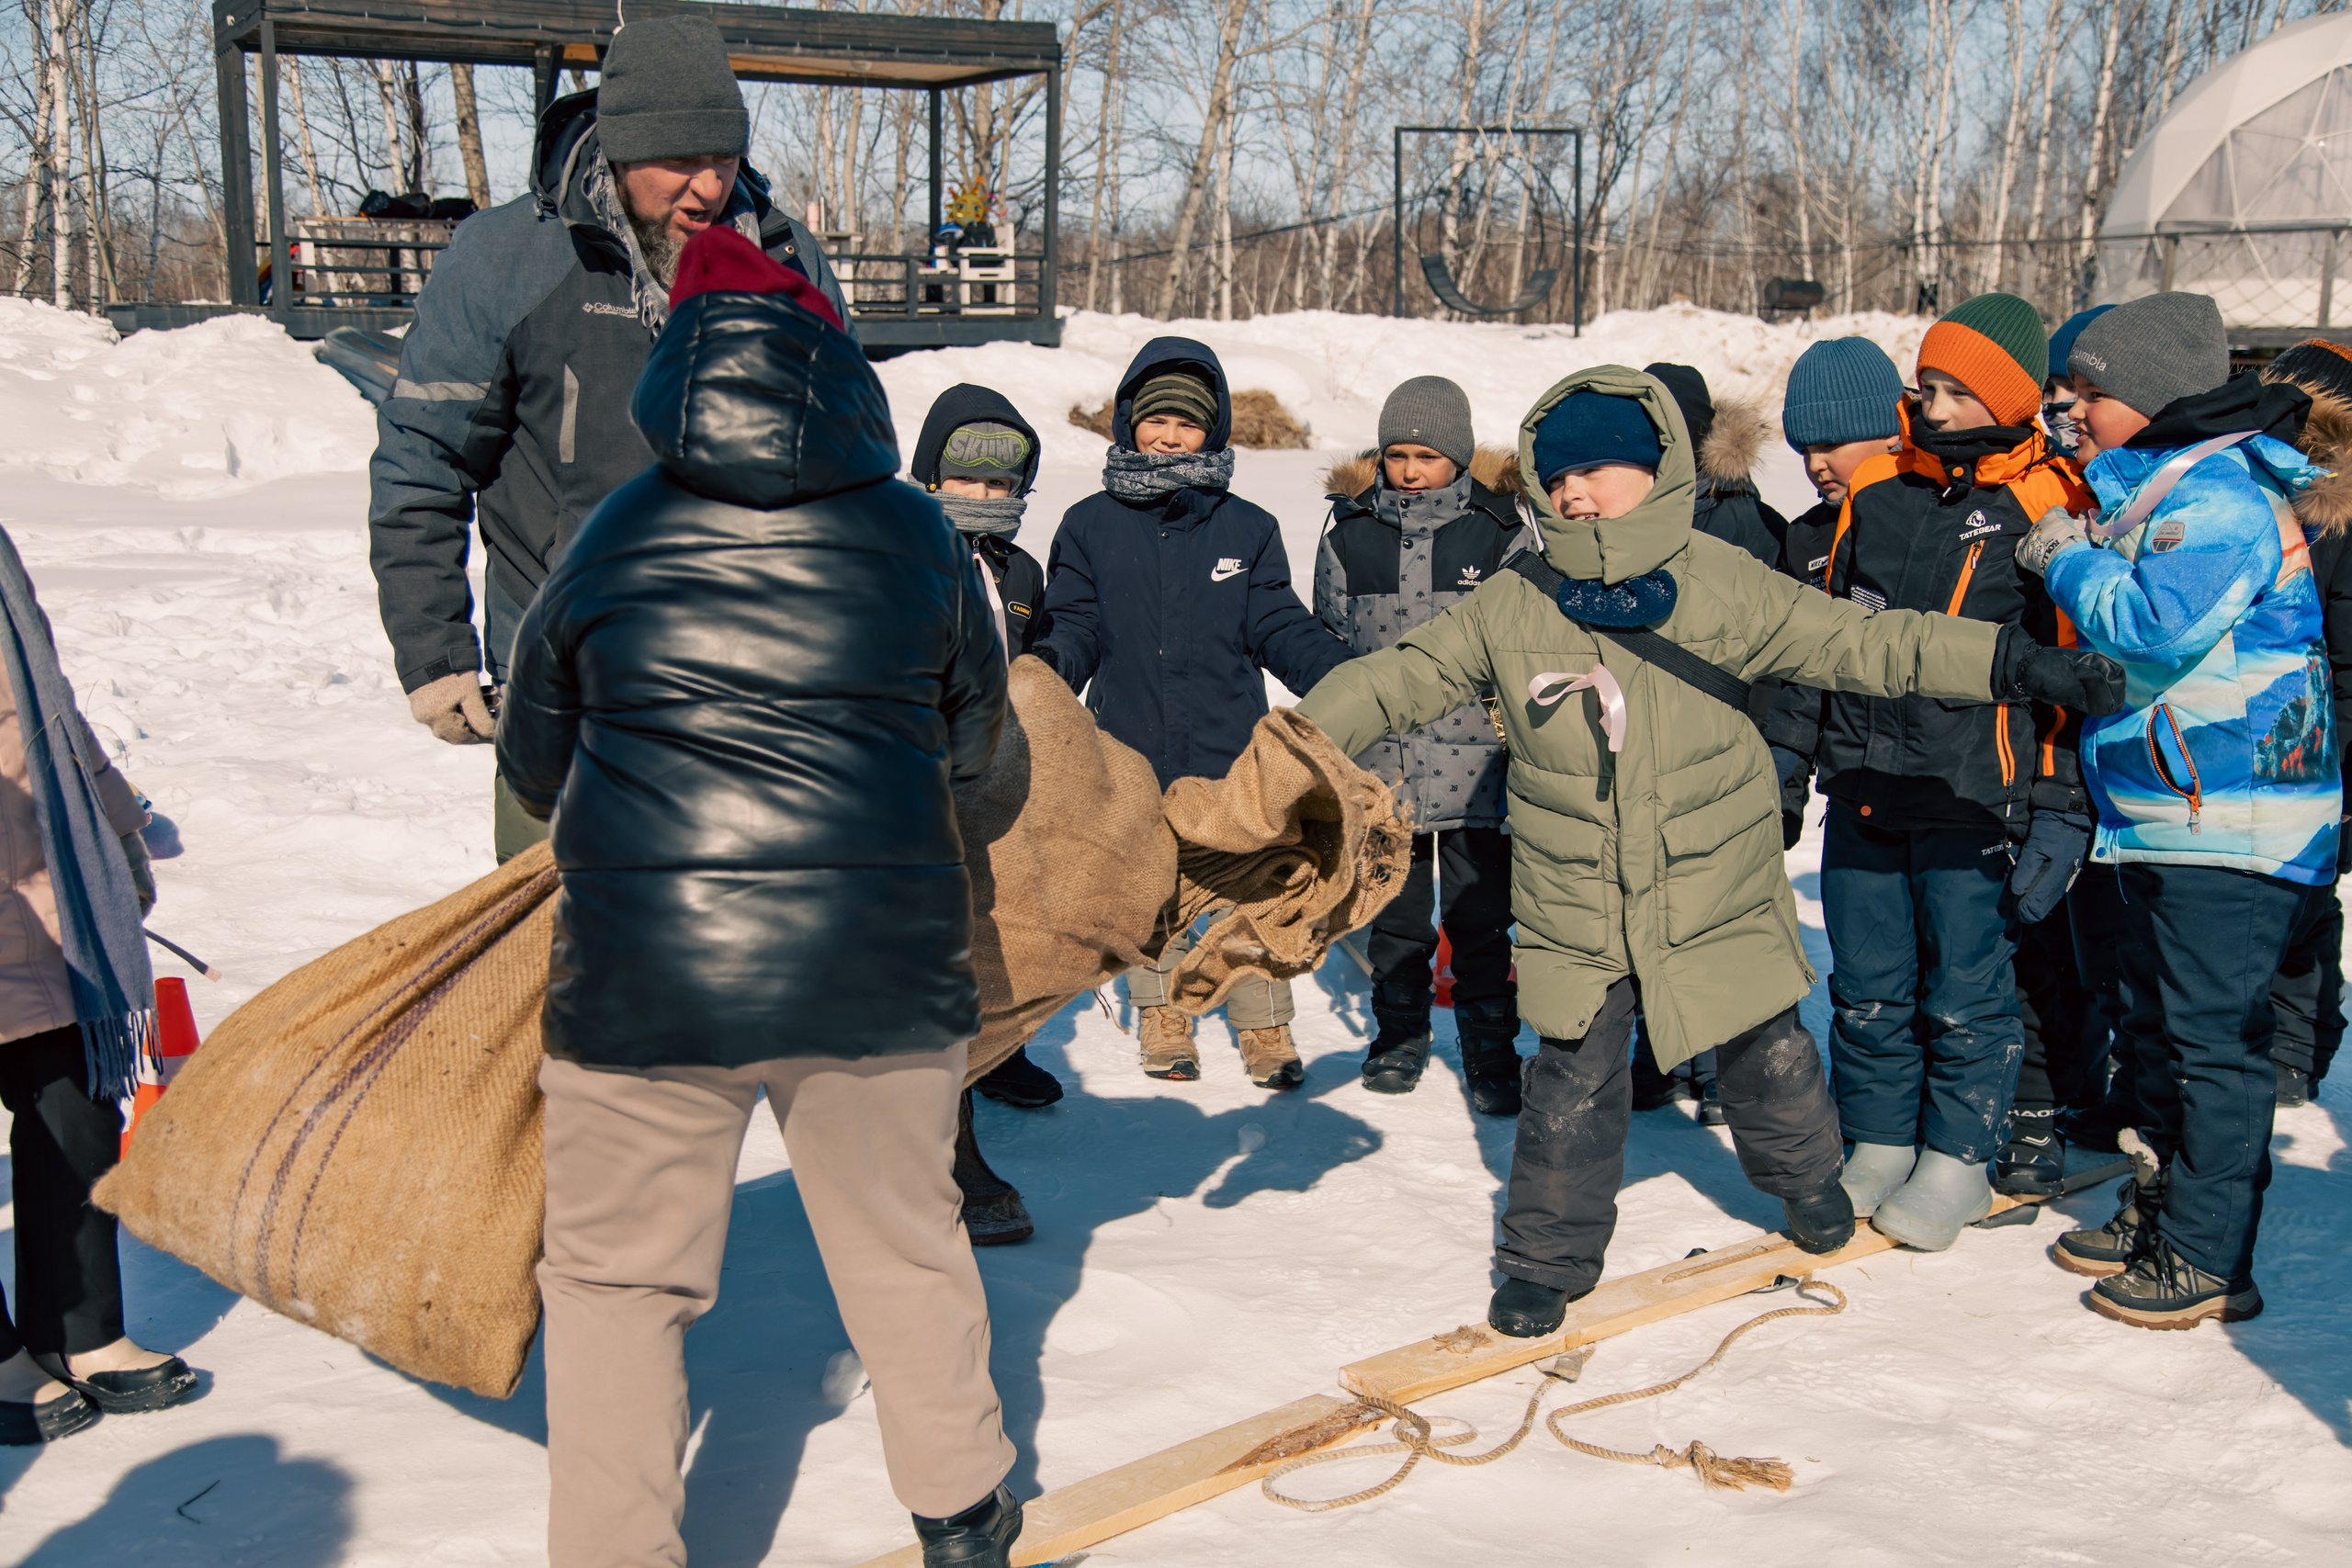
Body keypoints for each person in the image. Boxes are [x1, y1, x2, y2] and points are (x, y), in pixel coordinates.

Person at [1295, 365, 2125, 1337]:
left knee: (1766, 1054)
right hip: (1576, 892)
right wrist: (1292, 750)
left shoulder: (1720, 581)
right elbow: (1396, 676)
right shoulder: (1515, 601)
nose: (1572, 493)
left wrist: (2011, 662)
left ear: (1656, 471)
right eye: (1555, 478)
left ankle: (1807, 1178)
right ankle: (1545, 1257)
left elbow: (1871, 645)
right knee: (1569, 1081)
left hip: (1712, 873)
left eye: (1594, 470)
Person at [496, 227, 1019, 1567]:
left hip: (646, 977)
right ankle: (962, 1514)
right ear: (834, 362)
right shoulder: (919, 532)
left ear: (675, 370)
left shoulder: (610, 531)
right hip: (878, 968)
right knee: (905, 1245)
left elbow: (535, 763)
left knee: (617, 1284)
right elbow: (980, 760)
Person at [368, 13, 848, 863]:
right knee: (561, 934)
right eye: (679, 160)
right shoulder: (508, 261)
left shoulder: (786, 258)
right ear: (621, 149)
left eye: (724, 156)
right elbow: (421, 461)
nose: (708, 187)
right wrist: (434, 650)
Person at [2018, 291, 2340, 1329]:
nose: (2070, 409)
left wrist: (2063, 556)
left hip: (2235, 822)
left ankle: (2207, 1254)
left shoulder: (2223, 498)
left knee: (2211, 1042)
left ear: (2152, 396)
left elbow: (2153, 625)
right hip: (2172, 812)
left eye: (2089, 390)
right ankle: (2162, 1205)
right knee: (2154, 1028)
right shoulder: (2161, 490)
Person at [1778, 293, 2097, 1251]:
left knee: (1966, 990)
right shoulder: (1877, 485)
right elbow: (1822, 637)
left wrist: (2058, 800)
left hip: (1976, 792)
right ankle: (1878, 1139)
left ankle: (1957, 1157)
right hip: (1865, 781)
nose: (1936, 406)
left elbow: (2069, 666)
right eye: (1928, 386)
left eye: (1959, 389)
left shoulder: (2047, 500)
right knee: (1867, 983)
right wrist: (1797, 759)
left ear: (2010, 395)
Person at [1033, 338, 1354, 1089]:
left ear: (1213, 430)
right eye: (1157, 420)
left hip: (1228, 746)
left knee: (1252, 886)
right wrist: (1045, 670)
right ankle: (1165, 1011)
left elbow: (1278, 624)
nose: (1170, 436)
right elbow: (1075, 624)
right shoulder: (1088, 524)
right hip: (1130, 746)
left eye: (1187, 422)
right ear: (1129, 422)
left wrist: (1347, 676)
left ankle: (1264, 1020)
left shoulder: (1248, 527)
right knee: (1154, 889)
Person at [0, 527, 198, 1443]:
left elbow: (46, 703)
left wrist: (117, 825)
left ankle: (79, 1327)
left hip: (41, 884)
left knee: (76, 1107)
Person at [1314, 376, 1529, 1114]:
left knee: (1480, 921)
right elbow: (1333, 641)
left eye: (1427, 457)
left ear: (1459, 457)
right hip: (1385, 771)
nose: (1409, 471)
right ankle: (1398, 1037)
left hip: (1478, 772)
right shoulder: (1350, 535)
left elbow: (1519, 646)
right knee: (1396, 920)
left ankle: (1491, 1051)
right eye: (1397, 455)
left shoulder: (1497, 533)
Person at [1635, 363, 1792, 1119]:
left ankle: (1725, 1066)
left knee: (1723, 908)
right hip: (1646, 739)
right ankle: (1664, 1048)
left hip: (1729, 740)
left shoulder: (1748, 523)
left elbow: (1780, 647)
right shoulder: (1622, 511)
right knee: (1651, 902)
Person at [908, 384, 1065, 1122]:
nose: (983, 494)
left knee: (1006, 915)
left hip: (1001, 769)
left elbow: (1032, 655)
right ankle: (931, 1064)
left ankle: (1000, 1047)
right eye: (966, 477)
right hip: (921, 770)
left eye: (1000, 483)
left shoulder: (1020, 569)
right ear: (931, 474)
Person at [1760, 337, 1906, 851]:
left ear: (1888, 433)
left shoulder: (1933, 517)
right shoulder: (1807, 538)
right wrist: (1785, 775)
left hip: (1949, 791)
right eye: (1805, 450)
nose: (1815, 465)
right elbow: (1800, 669)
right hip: (1851, 788)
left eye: (1829, 445)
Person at [2259, 338, 2352, 1109]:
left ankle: (2299, 1039)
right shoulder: (2265, 494)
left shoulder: (2340, 520)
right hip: (2267, 720)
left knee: (2306, 901)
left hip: (2328, 742)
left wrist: (2340, 770)